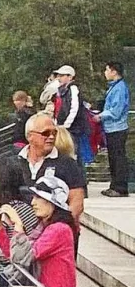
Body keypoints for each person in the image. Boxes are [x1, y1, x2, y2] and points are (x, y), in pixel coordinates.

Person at [0, 113, 87, 232]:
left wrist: (58, 230)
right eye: (45, 133)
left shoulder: (68, 164)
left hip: (55, 236)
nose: (51, 137)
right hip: (17, 235)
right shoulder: (10, 162)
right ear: (30, 136)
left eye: (54, 133)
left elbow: (77, 203)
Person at [98, 60, 129, 197]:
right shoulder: (114, 87)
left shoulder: (120, 88)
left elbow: (116, 110)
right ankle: (114, 185)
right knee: (113, 158)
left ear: (114, 71)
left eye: (107, 70)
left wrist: (101, 116)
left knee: (118, 158)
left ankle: (120, 187)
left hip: (117, 128)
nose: (105, 73)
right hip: (111, 128)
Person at [51, 65, 94, 165]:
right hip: (68, 128)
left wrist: (66, 125)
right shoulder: (62, 91)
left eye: (62, 75)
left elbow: (74, 108)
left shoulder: (73, 89)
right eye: (58, 75)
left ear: (70, 77)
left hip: (76, 129)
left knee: (76, 155)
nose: (59, 78)